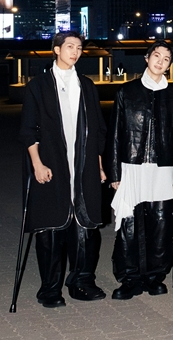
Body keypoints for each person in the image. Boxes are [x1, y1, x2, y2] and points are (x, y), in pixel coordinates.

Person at [19, 31, 107, 308]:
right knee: (51, 226)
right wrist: (37, 163)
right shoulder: (39, 85)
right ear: (56, 50)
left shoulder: (86, 85)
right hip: (52, 163)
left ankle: (81, 282)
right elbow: (28, 129)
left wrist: (99, 165)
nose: (75, 52)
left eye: (79, 48)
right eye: (69, 47)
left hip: (83, 163)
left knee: (86, 225)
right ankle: (49, 288)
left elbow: (98, 129)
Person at [106, 40, 173, 300]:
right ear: (147, 58)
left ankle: (154, 276)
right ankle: (129, 277)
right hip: (131, 165)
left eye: (166, 59)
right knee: (129, 223)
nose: (160, 62)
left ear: (169, 65)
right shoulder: (126, 92)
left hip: (164, 168)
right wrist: (114, 173)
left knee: (161, 224)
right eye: (156, 56)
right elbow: (115, 133)